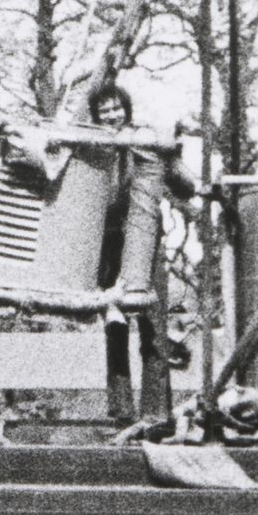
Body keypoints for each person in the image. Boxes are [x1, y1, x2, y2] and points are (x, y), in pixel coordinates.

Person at [91, 86, 197, 428]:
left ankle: (155, 414)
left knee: (153, 328)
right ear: (96, 117)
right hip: (107, 245)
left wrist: (170, 154)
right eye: (104, 111)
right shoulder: (92, 149)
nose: (111, 116)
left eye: (116, 109)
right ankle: (121, 410)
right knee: (115, 327)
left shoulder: (145, 143)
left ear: (127, 110)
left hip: (147, 244)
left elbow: (185, 186)